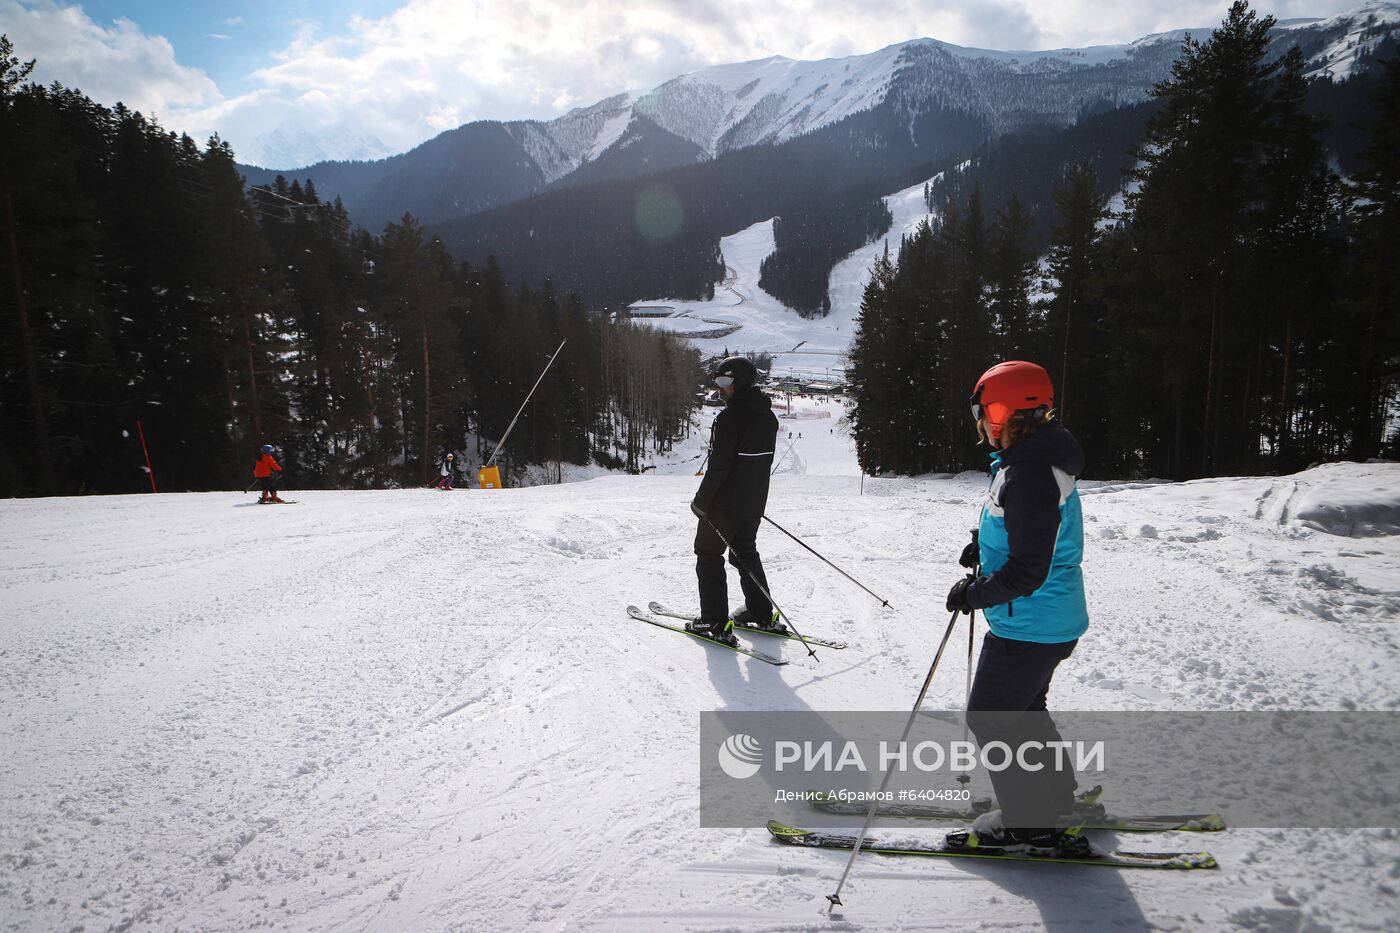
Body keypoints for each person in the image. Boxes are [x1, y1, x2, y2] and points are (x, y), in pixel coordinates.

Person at [943, 360, 1090, 855]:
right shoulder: (1032, 461)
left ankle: (1031, 823)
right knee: (1025, 711)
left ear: (1004, 411)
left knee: (991, 717)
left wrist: (974, 593)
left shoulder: (1029, 472)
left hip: (1028, 622)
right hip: (1045, 619)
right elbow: (1026, 535)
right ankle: (1055, 802)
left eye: (983, 411)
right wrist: (983, 552)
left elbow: (1029, 570)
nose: (981, 422)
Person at [687, 357, 781, 646]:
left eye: (725, 383)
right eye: (718, 382)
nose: (719, 389)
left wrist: (701, 502)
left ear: (739, 383)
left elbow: (719, 468)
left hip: (724, 505)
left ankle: (715, 622)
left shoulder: (728, 419)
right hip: (753, 503)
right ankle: (760, 612)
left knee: (708, 552)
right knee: (743, 551)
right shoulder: (768, 417)